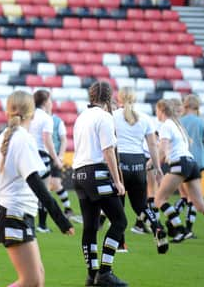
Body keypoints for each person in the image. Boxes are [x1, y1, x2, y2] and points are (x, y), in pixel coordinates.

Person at [0, 90, 74, 287]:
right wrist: (61, 220)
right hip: (14, 215)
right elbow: (38, 185)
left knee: (38, 279)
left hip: (11, 215)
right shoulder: (24, 140)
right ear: (32, 114)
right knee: (31, 280)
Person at [153, 99, 204, 245]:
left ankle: (181, 230)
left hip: (180, 163)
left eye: (157, 110)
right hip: (192, 163)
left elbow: (162, 147)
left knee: (159, 199)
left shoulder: (167, 125)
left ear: (161, 111)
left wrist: (153, 163)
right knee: (199, 204)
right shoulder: (180, 125)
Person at [72, 81, 128, 286]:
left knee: (90, 227)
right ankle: (105, 272)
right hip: (97, 173)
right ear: (108, 98)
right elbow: (108, 151)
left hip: (78, 174)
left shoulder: (81, 117)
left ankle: (92, 274)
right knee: (120, 222)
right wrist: (117, 180)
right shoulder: (104, 117)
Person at [113, 87, 168, 254]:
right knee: (141, 205)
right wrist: (157, 167)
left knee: (118, 206)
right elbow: (152, 145)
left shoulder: (113, 117)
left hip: (120, 161)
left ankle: (121, 244)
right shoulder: (145, 118)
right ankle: (157, 227)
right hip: (138, 163)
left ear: (119, 99)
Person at [28, 90, 63, 233]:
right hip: (41, 155)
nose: (51, 103)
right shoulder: (46, 118)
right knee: (44, 191)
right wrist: (56, 159)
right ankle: (42, 225)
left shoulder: (29, 114)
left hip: (28, 153)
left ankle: (27, 223)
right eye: (50, 100)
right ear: (45, 101)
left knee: (28, 190)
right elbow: (47, 140)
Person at [177, 94, 204, 239]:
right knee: (193, 198)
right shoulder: (203, 123)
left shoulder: (179, 121)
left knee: (185, 195)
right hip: (198, 161)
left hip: (182, 160)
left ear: (185, 105)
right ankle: (188, 227)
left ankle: (174, 222)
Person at [50, 111, 82, 224]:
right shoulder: (36, 118)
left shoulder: (57, 121)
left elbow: (63, 139)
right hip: (41, 155)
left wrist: (61, 156)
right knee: (46, 185)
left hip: (55, 156)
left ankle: (67, 209)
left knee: (55, 184)